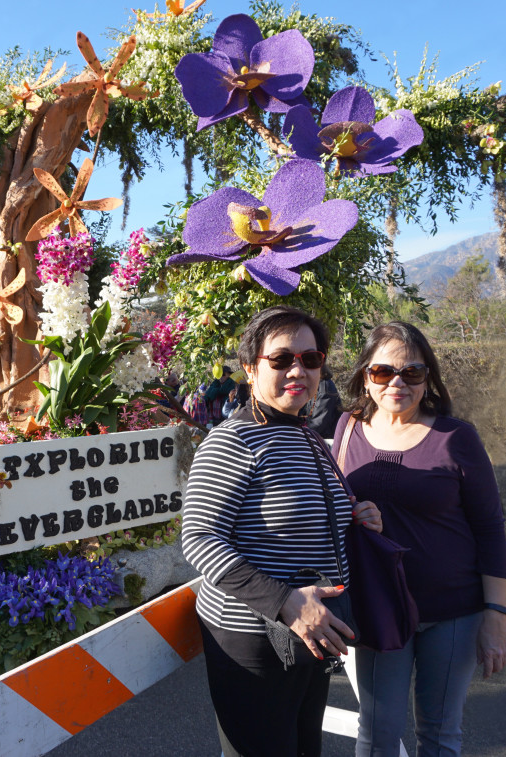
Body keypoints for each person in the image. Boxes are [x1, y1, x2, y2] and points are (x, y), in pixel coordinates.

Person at [181, 306, 382, 756]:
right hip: (255, 638)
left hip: (309, 632)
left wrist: (356, 514)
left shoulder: (306, 434)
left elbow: (301, 513)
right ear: (251, 369)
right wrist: (286, 602)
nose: (299, 370)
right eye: (281, 359)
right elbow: (198, 538)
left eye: (312, 360)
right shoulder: (233, 440)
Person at [335, 321, 506, 757]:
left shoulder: (456, 437)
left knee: (438, 736)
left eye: (412, 372)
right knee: (377, 735)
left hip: (454, 611)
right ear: (364, 376)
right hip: (380, 609)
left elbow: (490, 528)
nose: (397, 382)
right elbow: (332, 506)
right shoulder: (347, 429)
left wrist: (495, 614)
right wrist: (352, 515)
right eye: (382, 372)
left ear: (427, 378)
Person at [306, 366, 342, 438]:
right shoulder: (316, 385)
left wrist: (299, 434)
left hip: (325, 439)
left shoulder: (324, 388)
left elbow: (319, 422)